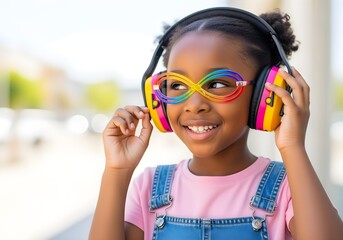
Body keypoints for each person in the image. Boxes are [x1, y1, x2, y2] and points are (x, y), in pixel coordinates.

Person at [89, 7, 343, 240]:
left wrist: (293, 147)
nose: (194, 103)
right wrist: (117, 172)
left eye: (218, 84)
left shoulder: (288, 187)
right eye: (177, 85)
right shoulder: (149, 187)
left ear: (266, 95)